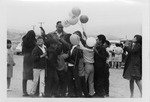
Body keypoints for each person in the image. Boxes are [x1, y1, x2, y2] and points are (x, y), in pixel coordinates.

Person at [22, 30, 36, 96]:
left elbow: (22, 51)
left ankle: (24, 91)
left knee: (25, 75)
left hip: (26, 58)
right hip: (32, 57)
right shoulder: (33, 41)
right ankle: (33, 91)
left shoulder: (24, 41)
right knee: (34, 75)